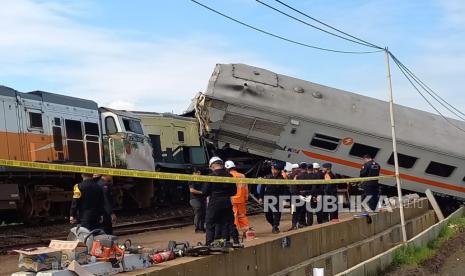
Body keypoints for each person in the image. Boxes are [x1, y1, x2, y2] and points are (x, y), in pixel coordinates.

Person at [202, 157, 237, 246]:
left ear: (212, 166)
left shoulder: (211, 177)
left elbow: (204, 192)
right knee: (226, 223)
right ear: (221, 164)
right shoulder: (229, 176)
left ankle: (209, 243)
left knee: (210, 223)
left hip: (214, 202)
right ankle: (225, 242)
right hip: (226, 202)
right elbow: (234, 192)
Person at [259, 161, 288, 234]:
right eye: (273, 169)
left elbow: (284, 189)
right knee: (267, 214)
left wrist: (284, 198)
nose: (274, 171)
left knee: (277, 213)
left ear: (278, 171)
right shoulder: (267, 177)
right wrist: (260, 197)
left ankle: (275, 226)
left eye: (276, 170)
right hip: (267, 197)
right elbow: (262, 188)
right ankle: (273, 225)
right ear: (271, 169)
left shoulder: (281, 179)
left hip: (277, 197)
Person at [225, 160, 249, 245]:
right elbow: (246, 188)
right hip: (241, 199)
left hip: (232, 199)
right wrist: (246, 197)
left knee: (234, 216)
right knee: (242, 215)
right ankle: (246, 231)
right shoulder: (242, 176)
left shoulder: (228, 176)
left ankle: (235, 233)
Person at [189, 168, 206, 233]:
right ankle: (197, 228)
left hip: (201, 199)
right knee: (198, 212)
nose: (199, 174)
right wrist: (201, 192)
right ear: (193, 173)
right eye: (197, 172)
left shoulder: (201, 179)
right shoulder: (191, 179)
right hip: (194, 199)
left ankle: (201, 227)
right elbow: (192, 190)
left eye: (199, 172)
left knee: (203, 213)